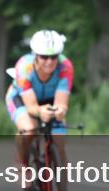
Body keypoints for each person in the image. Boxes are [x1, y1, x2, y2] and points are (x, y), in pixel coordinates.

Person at [7, 30, 73, 177]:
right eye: (44, 57)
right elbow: (31, 107)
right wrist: (40, 112)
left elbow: (62, 103)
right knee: (29, 128)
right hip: (21, 99)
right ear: (35, 55)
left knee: (59, 139)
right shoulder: (24, 66)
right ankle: (21, 164)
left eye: (53, 56)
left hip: (49, 99)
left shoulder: (65, 66)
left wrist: (60, 111)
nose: (49, 61)